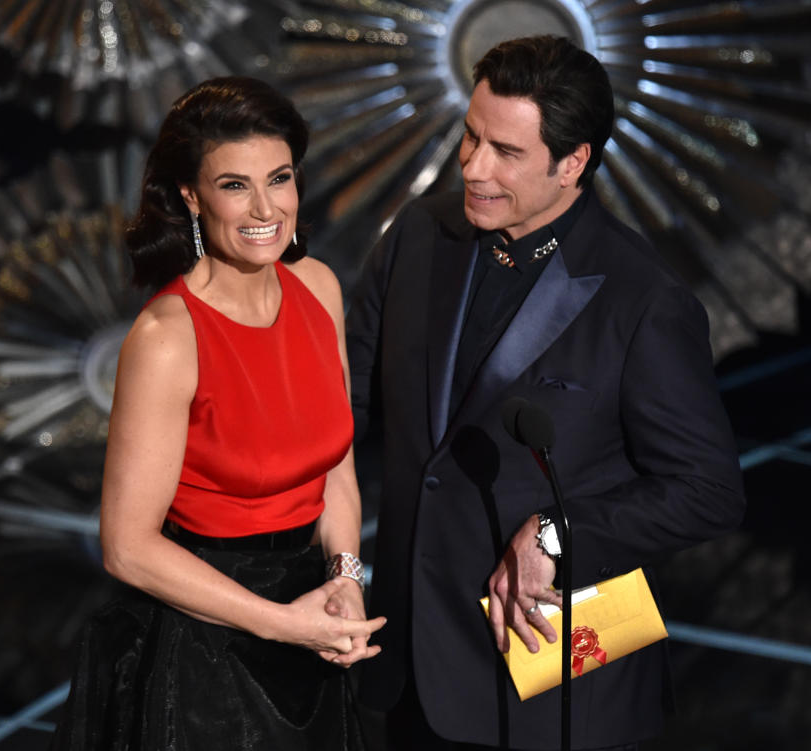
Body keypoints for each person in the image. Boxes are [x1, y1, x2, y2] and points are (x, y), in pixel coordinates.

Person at [346, 36, 746, 750]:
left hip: (555, 693)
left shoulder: (642, 299)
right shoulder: (417, 236)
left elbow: (708, 490)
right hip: (410, 666)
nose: (473, 166)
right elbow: (344, 411)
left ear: (573, 163)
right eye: (471, 137)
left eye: (506, 151)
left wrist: (557, 532)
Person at [50, 76, 385, 751]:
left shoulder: (318, 287)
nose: (265, 207)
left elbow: (337, 472)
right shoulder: (168, 336)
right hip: (206, 638)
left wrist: (344, 579)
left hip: (312, 620)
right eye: (235, 185)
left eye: (280, 178)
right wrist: (280, 622)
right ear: (191, 196)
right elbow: (127, 546)